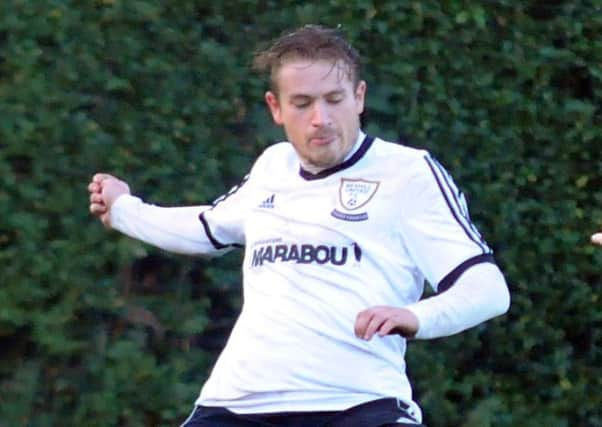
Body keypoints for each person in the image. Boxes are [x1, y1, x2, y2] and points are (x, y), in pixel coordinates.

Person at [88, 25, 510, 427]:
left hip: (357, 403)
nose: (320, 118)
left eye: (334, 99)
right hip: (237, 404)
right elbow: (206, 227)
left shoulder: (408, 173)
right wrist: (123, 209)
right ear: (276, 108)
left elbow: (488, 291)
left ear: (359, 97)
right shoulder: (274, 166)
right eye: (303, 103)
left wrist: (415, 316)